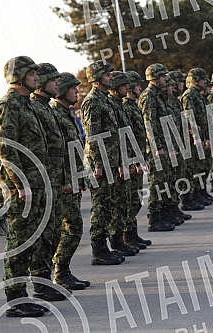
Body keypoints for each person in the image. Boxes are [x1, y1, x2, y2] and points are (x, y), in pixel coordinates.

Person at [0, 56, 48, 317]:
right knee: (19, 242)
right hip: (21, 186)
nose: (37, 78)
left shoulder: (26, 104)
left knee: (30, 241)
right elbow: (6, 147)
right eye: (32, 74)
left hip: (35, 183)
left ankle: (23, 296)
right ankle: (15, 300)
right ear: (20, 76)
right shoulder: (8, 105)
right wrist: (20, 183)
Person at [80, 60, 124, 265]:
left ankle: (106, 246)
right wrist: (97, 164)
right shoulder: (92, 101)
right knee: (100, 205)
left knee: (110, 204)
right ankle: (98, 250)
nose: (111, 77)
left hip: (111, 160)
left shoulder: (104, 99)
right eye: (108, 74)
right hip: (101, 162)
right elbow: (93, 135)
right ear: (97, 78)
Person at [51, 72, 90, 289]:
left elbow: (75, 149)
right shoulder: (56, 114)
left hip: (73, 179)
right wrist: (66, 179)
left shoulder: (67, 113)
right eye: (73, 88)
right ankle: (60, 272)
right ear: (62, 90)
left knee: (72, 228)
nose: (77, 91)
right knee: (71, 228)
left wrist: (80, 177)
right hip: (64, 182)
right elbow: (58, 152)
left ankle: (63, 271)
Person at [138, 63, 176, 232]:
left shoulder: (158, 95)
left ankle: (164, 213)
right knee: (157, 182)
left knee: (165, 180)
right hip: (156, 148)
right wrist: (156, 146)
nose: (165, 79)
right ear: (154, 78)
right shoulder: (149, 96)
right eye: (162, 76)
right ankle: (154, 218)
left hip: (164, 144)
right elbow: (149, 123)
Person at [107, 71, 141, 255]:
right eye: (125, 85)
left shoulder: (121, 105)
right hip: (114, 162)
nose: (129, 88)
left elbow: (130, 136)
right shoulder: (115, 105)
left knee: (129, 200)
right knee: (119, 204)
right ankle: (117, 241)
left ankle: (128, 236)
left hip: (126, 158)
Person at [122, 71, 153, 248]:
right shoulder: (126, 106)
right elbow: (127, 138)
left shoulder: (133, 105)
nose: (140, 88)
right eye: (137, 85)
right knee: (130, 200)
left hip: (138, 155)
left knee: (136, 199)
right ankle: (127, 237)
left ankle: (132, 234)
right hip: (131, 159)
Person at [181, 68, 209, 209]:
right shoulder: (189, 95)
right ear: (196, 80)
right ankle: (190, 198)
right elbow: (189, 117)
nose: (205, 82)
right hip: (193, 140)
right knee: (192, 169)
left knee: (200, 167)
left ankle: (198, 194)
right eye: (203, 79)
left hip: (200, 136)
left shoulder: (198, 95)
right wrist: (196, 137)